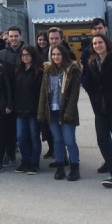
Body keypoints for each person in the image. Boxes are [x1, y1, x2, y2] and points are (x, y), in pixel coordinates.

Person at [79, 17, 112, 175]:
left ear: (105, 29)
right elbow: (85, 74)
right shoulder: (88, 52)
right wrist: (91, 91)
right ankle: (109, 162)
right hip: (98, 100)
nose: (97, 31)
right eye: (94, 29)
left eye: (100, 28)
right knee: (103, 135)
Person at [38, 44, 82, 181]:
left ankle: (75, 168)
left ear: (64, 55)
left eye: (58, 54)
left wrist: (69, 113)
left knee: (69, 140)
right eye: (53, 54)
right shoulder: (48, 70)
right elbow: (43, 92)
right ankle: (60, 167)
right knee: (57, 140)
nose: (56, 57)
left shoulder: (72, 70)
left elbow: (74, 94)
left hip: (67, 111)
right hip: (52, 111)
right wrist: (41, 112)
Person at [12, 45, 44, 174]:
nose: (25, 57)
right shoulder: (18, 70)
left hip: (33, 110)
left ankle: (35, 163)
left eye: (27, 55)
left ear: (33, 56)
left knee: (34, 136)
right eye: (23, 55)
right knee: (20, 137)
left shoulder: (39, 71)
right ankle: (25, 161)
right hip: (20, 110)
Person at [0, 26, 24, 167]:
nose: (13, 39)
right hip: (7, 96)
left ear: (21, 36)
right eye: (11, 36)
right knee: (8, 129)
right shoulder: (1, 54)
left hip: (24, 95)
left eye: (16, 36)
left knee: (24, 131)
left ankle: (28, 157)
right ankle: (10, 154)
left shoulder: (27, 52)